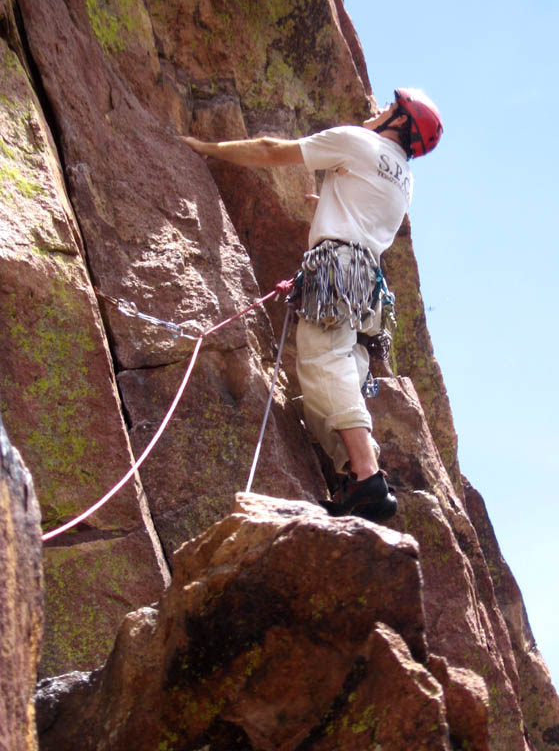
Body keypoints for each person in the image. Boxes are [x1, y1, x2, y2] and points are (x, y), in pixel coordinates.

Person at [183, 88, 443, 523]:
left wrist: (204, 148)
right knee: (343, 370)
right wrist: (330, 204)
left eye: (388, 108)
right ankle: (357, 480)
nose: (377, 110)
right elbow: (366, 208)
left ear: (400, 122)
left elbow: (271, 150)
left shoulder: (359, 144)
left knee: (324, 362)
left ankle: (366, 475)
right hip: (368, 289)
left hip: (338, 271)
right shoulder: (404, 179)